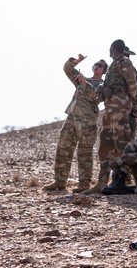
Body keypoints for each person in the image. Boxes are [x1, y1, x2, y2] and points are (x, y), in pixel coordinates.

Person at [44, 55, 106, 193]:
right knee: (63, 148)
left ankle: (84, 184)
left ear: (104, 71)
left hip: (88, 121)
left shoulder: (103, 85)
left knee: (84, 152)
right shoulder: (82, 79)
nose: (97, 66)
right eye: (96, 64)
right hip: (72, 117)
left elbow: (96, 96)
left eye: (101, 65)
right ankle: (60, 181)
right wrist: (75, 62)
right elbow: (67, 69)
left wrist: (85, 84)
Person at [87, 39, 137, 193]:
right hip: (109, 109)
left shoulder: (124, 62)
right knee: (105, 145)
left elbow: (133, 86)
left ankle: (121, 181)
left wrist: (132, 105)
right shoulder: (113, 65)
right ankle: (102, 182)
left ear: (112, 48)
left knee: (121, 144)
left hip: (121, 109)